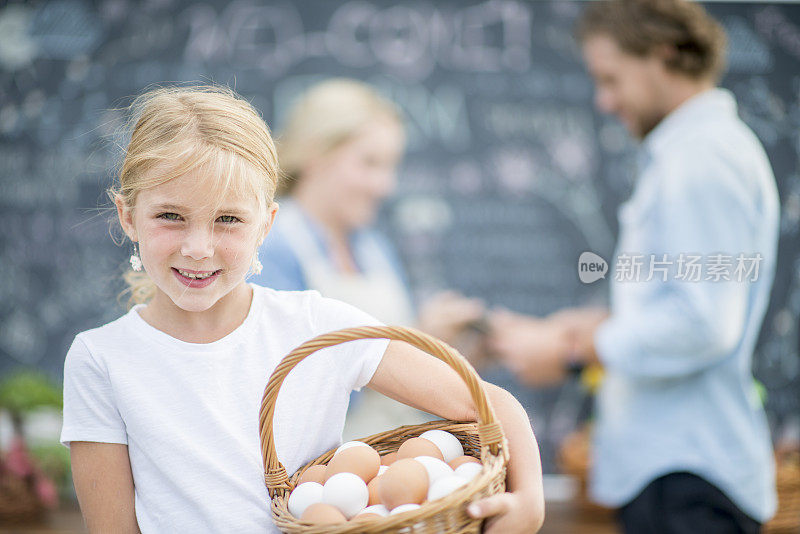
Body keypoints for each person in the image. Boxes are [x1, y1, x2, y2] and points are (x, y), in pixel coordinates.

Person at [59, 85, 545, 533]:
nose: (199, 248)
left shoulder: (316, 326)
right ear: (128, 216)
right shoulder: (101, 360)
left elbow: (491, 404)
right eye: (170, 216)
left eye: (228, 219)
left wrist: (530, 503)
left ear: (265, 225)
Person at [489, 1, 779, 532]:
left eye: (611, 78)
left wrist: (573, 353)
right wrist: (577, 329)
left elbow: (702, 323)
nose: (603, 101)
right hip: (681, 475)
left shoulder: (700, 159)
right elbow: (678, 302)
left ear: (662, 55)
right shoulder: (692, 154)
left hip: (688, 481)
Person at [250, 79, 486, 439]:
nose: (385, 186)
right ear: (315, 154)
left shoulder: (374, 249)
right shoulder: (273, 246)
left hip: (389, 462)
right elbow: (284, 388)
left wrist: (440, 352)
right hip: (316, 475)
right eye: (369, 163)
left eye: (390, 166)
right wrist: (417, 343)